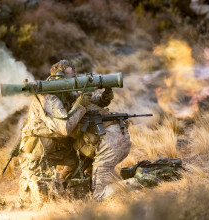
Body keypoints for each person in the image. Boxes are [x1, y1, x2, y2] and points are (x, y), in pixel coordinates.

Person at [19, 60, 131, 201]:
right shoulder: (49, 98)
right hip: (38, 155)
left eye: (74, 76)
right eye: (70, 77)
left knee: (76, 188)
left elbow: (83, 100)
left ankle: (84, 189)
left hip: (59, 150)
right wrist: (81, 104)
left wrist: (103, 98)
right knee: (41, 199)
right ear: (58, 77)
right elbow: (65, 128)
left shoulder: (65, 93)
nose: (73, 80)